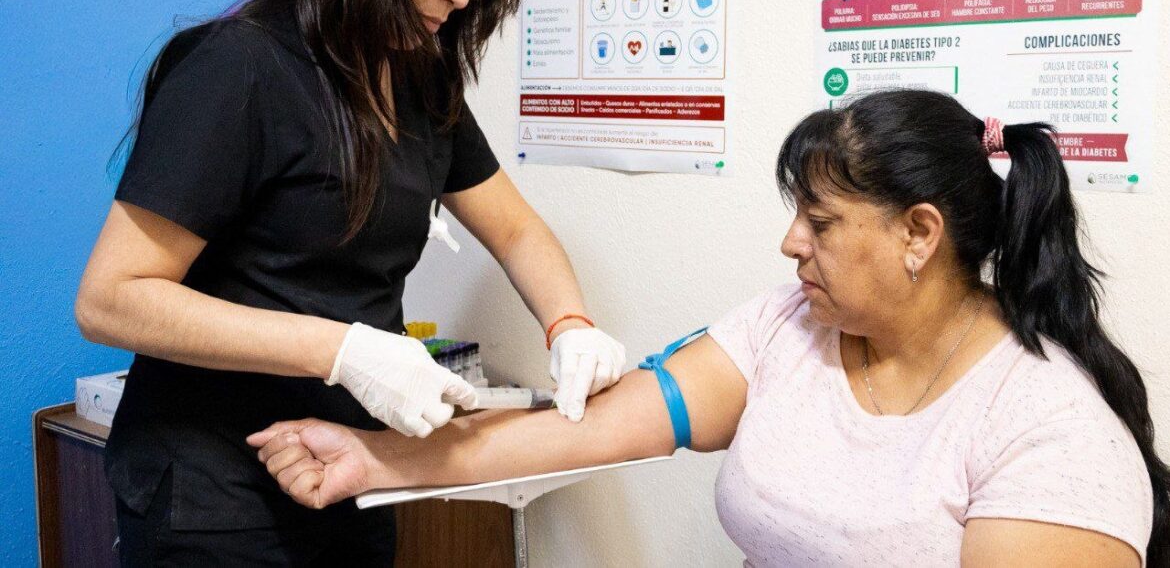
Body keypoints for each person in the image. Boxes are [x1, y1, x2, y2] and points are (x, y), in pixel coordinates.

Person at [252, 90, 1167, 567]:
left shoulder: (1050, 432)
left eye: (820, 221)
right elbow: (591, 426)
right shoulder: (793, 328)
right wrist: (378, 459)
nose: (789, 243)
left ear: (919, 234)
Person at [74, 0, 625, 564]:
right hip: (214, 492)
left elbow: (518, 229)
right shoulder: (240, 68)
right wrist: (342, 350)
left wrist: (570, 325)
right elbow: (110, 297)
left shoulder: (421, 85)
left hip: (353, 468)